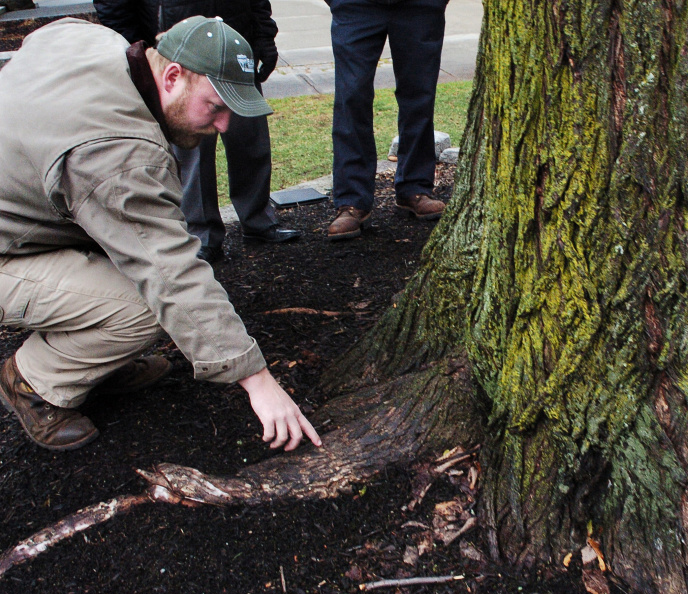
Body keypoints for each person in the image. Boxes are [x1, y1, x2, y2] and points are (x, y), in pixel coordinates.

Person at [0, 17, 321, 453]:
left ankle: (96, 361)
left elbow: (47, 34)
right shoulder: (119, 156)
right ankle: (35, 380)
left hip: (19, 216)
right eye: (216, 106)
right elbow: (169, 271)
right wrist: (259, 381)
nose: (225, 125)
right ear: (172, 76)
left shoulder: (93, 41)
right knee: (145, 306)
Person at [94, 0, 299, 263]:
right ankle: (202, 234)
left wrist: (263, 36)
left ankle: (258, 219)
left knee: (249, 139)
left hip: (234, 47)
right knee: (192, 153)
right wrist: (138, 46)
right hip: (177, 48)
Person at [325, 0, 448, 241]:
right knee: (351, 97)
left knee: (420, 94)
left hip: (420, 6)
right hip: (355, 6)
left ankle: (415, 187)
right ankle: (351, 200)